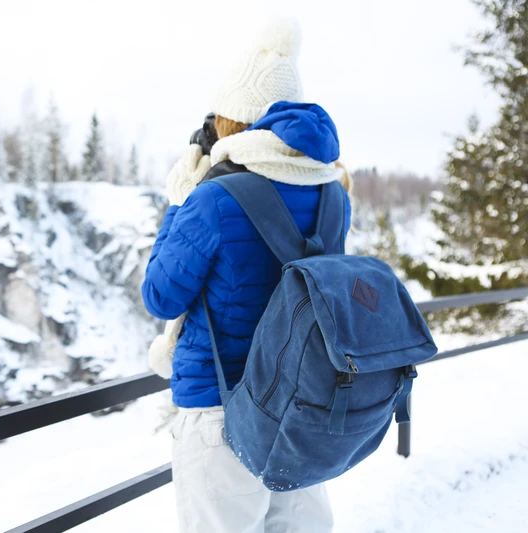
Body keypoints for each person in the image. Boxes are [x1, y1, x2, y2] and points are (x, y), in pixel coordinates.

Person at [142, 17, 352, 533]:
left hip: (222, 408)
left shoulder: (212, 198)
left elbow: (161, 296)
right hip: (302, 402)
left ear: (229, 122)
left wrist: (184, 195)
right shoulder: (333, 193)